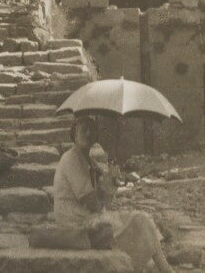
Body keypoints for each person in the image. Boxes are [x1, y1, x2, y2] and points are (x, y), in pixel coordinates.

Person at [53, 116, 174, 273]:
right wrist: (106, 186)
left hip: (88, 217)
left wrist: (112, 182)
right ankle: (164, 269)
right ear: (74, 134)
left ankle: (161, 268)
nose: (88, 134)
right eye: (84, 130)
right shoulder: (70, 159)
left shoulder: (88, 161)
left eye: (92, 130)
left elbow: (103, 204)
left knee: (140, 219)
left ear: (96, 136)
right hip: (74, 223)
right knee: (138, 219)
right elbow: (93, 203)